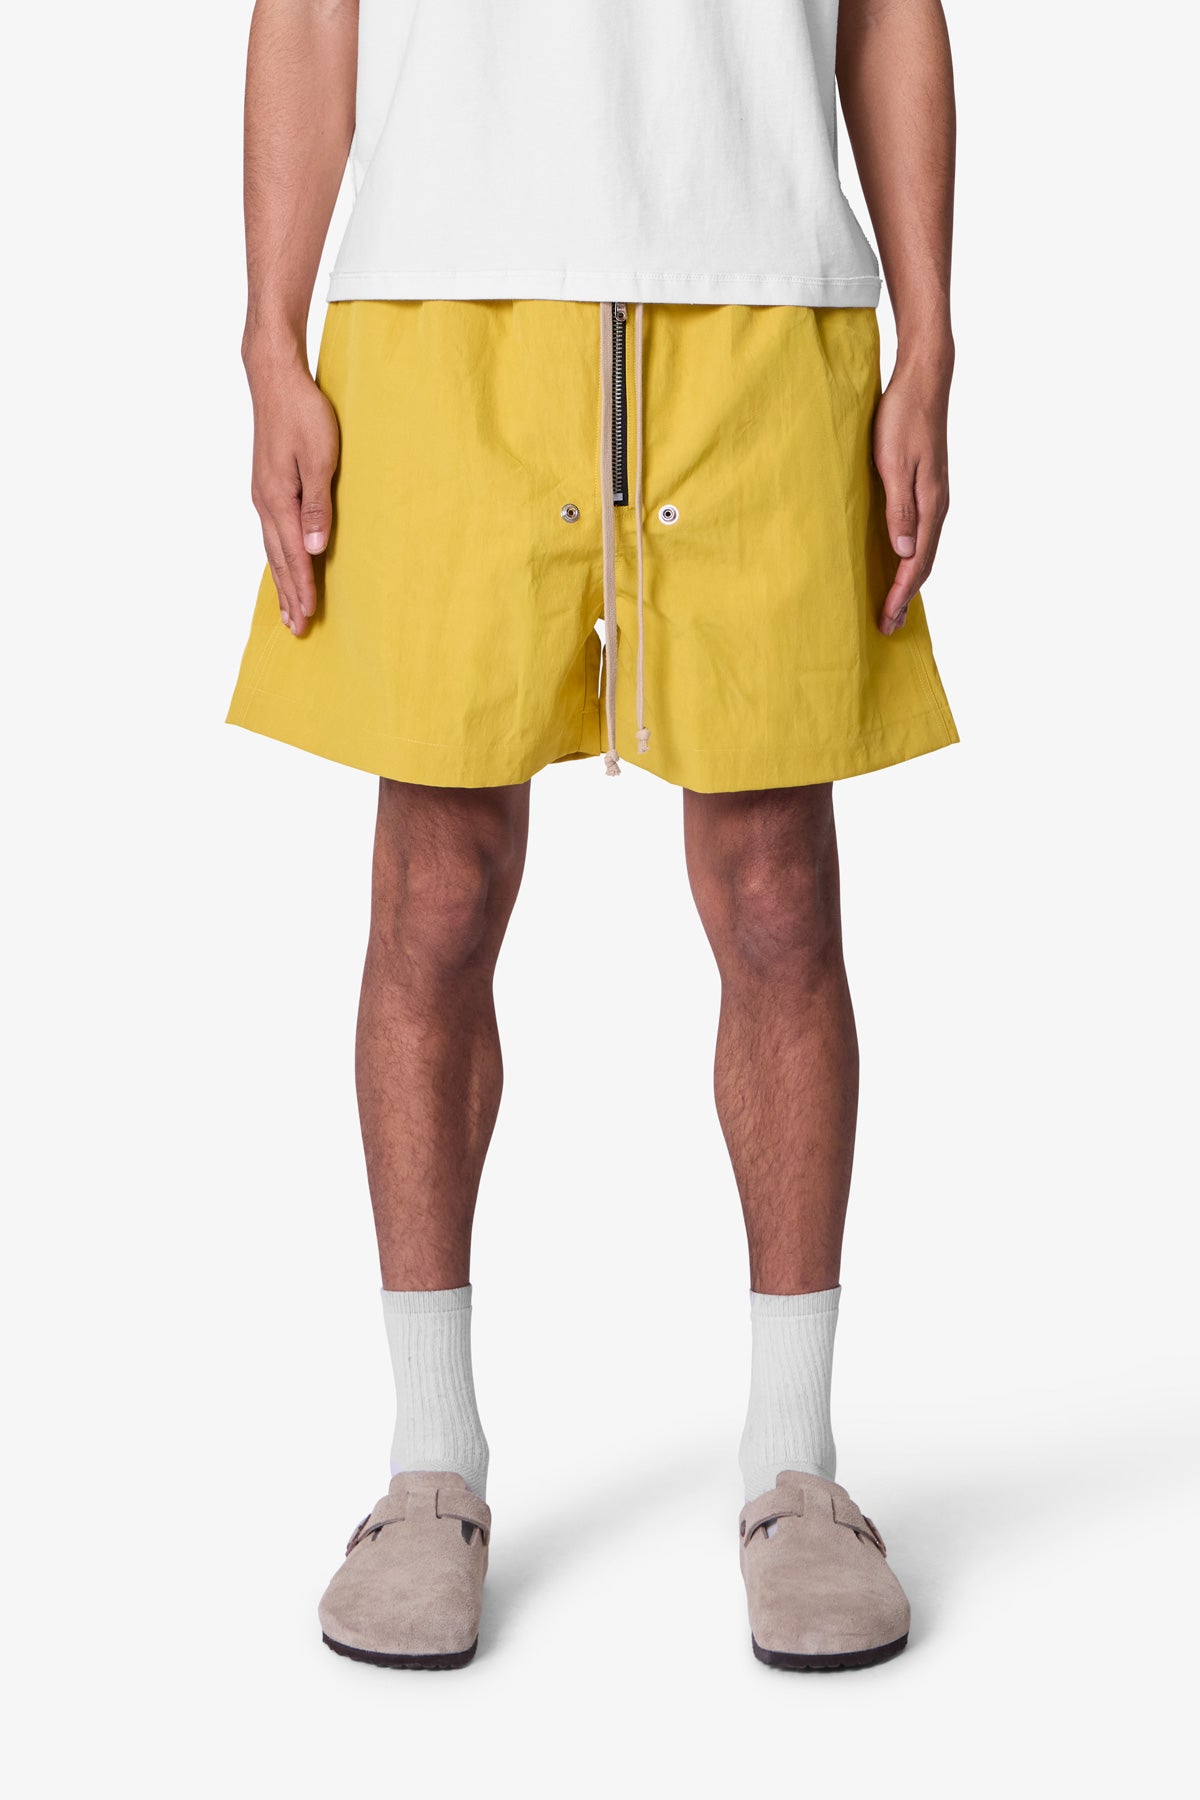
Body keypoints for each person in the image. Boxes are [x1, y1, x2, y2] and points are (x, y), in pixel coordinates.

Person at [228, 0, 958, 1672]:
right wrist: (270, 338)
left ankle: (797, 1470)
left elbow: (891, 11)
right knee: (436, 888)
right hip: (444, 293)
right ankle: (430, 1467)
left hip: (762, 285)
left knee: (776, 893)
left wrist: (928, 336)